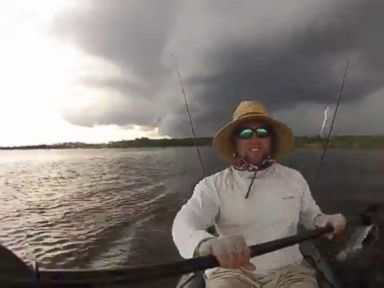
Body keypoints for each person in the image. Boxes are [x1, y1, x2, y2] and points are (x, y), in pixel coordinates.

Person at [172, 100, 347, 288]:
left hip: (291, 271)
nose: (254, 139)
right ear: (235, 142)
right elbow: (183, 224)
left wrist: (325, 220)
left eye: (262, 132)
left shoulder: (294, 178)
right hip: (232, 272)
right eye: (245, 133)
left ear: (271, 140)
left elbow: (312, 216)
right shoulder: (212, 185)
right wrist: (205, 244)